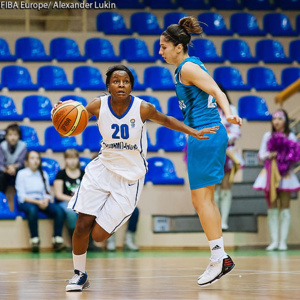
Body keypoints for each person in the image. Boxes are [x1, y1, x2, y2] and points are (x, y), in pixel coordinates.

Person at [51, 64, 218, 292]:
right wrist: (61, 110)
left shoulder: (142, 108)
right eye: (116, 81)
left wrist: (193, 131)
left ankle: (102, 215)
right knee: (82, 224)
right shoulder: (99, 104)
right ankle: (79, 274)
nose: (121, 85)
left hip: (129, 178)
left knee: (98, 236)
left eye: (126, 81)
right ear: (108, 85)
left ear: (131, 85)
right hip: (101, 170)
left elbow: (167, 120)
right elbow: (75, 115)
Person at [159, 16, 242, 286]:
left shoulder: (187, 68)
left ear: (178, 47)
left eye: (163, 46)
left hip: (206, 135)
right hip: (201, 136)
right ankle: (220, 256)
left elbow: (217, 90)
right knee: (203, 201)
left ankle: (218, 258)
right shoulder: (183, 68)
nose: (160, 51)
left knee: (203, 201)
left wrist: (228, 114)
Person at [253, 109, 300, 251]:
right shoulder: (268, 135)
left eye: (280, 119)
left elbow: (295, 154)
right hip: (270, 173)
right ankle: (274, 241)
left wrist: (285, 159)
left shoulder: (291, 136)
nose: (277, 122)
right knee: (272, 207)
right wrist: (270, 155)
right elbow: (261, 154)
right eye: (274, 119)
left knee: (285, 208)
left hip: (286, 175)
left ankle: (282, 242)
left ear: (285, 121)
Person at [15, 150, 66, 253]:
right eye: (32, 158)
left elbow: (47, 192)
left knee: (59, 210)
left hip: (42, 201)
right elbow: (21, 196)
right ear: (27, 161)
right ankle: (35, 240)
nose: (35, 161)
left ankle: (57, 240)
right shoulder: (21, 174)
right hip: (27, 202)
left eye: (37, 158)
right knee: (32, 210)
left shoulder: (43, 174)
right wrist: (38, 203)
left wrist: (46, 200)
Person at [54, 149, 102, 252]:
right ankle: (74, 243)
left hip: (81, 202)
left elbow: (89, 191)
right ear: (65, 160)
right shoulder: (61, 174)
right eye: (69, 158)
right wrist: (74, 200)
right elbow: (58, 195)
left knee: (90, 211)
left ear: (78, 160)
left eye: (74, 158)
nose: (72, 161)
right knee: (71, 212)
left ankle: (90, 243)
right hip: (65, 202)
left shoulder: (83, 173)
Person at [215, 84, 244, 231]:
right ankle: (214, 220)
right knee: (213, 187)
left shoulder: (231, 110)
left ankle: (223, 221)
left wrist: (223, 137)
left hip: (228, 153)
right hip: (212, 153)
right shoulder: (207, 110)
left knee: (226, 187)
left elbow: (236, 131)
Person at [0, 123, 27, 194]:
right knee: (1, 176)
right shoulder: (2, 146)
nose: (13, 137)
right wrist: (7, 169)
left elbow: (21, 163)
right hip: (5, 170)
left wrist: (13, 167)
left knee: (21, 173)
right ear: (6, 136)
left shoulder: (23, 146)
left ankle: (20, 197)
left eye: (15, 135)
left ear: (19, 136)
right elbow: (1, 163)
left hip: (16, 169)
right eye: (10, 134)